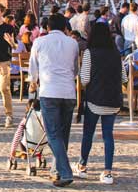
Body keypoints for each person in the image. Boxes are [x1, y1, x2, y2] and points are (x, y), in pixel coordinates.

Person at [73, 21, 127, 185]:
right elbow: (124, 78)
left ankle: (82, 166)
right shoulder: (116, 54)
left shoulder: (90, 53)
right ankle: (108, 171)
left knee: (88, 134)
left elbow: (85, 79)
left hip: (95, 99)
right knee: (108, 136)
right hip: (112, 100)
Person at [29, 13, 79, 188]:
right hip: (68, 92)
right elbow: (75, 69)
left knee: (52, 134)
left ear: (47, 28)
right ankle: (57, 170)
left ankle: (64, 171)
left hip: (49, 90)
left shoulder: (39, 42)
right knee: (63, 134)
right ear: (65, 27)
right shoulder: (73, 43)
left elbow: (33, 69)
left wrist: (33, 84)